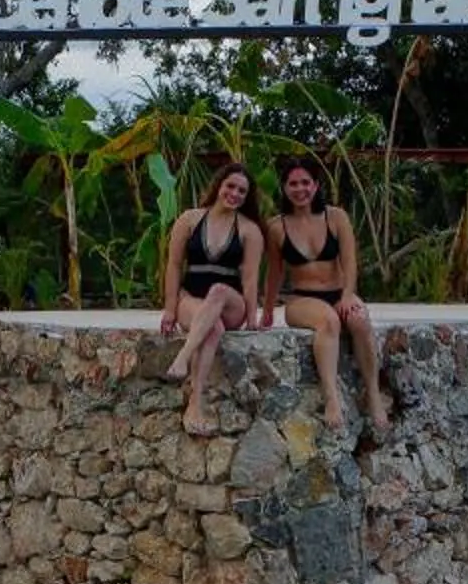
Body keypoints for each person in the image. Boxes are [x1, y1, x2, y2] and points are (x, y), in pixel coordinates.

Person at [260, 152, 389, 439]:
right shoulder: (276, 226)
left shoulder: (336, 217)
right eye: (293, 184)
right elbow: (275, 272)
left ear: (316, 185)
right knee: (329, 321)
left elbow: (350, 261)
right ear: (284, 188)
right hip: (302, 299)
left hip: (339, 293)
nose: (300, 189)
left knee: (359, 321)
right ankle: (332, 398)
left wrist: (348, 295)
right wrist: (267, 310)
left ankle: (373, 394)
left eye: (305, 182)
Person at [158, 161, 266, 435]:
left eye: (242, 191)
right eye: (231, 186)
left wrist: (252, 317)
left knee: (218, 290)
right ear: (219, 185)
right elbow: (173, 265)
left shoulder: (249, 230)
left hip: (230, 303)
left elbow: (250, 277)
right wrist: (170, 309)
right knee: (212, 328)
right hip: (192, 299)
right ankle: (195, 404)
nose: (235, 194)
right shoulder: (189, 220)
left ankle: (183, 357)